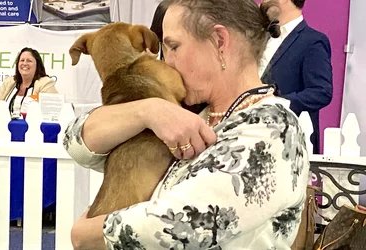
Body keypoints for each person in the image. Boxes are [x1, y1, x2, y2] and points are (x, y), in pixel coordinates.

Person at [64, 0, 310, 249]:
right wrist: (146, 110)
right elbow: (77, 144)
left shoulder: (273, 130)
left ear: (219, 41)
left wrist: (91, 233)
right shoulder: (197, 114)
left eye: (173, 47)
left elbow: (187, 224)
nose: (166, 61)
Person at [259, 0, 333, 154]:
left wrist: (279, 104)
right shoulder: (258, 38)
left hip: (288, 142)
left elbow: (321, 92)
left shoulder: (313, 41)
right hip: (254, 134)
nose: (262, 1)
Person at [0, 47, 58, 115]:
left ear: (37, 65)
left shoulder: (46, 84)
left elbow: (51, 114)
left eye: (29, 61)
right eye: (22, 60)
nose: (25, 63)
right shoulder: (8, 82)